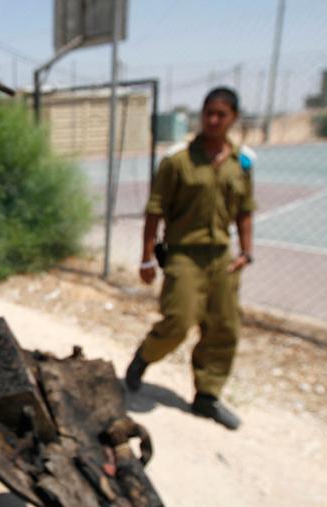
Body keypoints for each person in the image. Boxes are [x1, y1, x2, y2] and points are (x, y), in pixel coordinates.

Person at [125, 87, 255, 430]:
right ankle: (144, 357)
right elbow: (155, 210)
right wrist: (146, 258)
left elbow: (245, 211)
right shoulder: (178, 161)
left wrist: (246, 251)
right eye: (208, 113)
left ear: (233, 118)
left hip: (221, 258)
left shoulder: (241, 162)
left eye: (221, 114)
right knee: (178, 321)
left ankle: (207, 396)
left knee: (224, 326)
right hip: (183, 254)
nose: (213, 120)